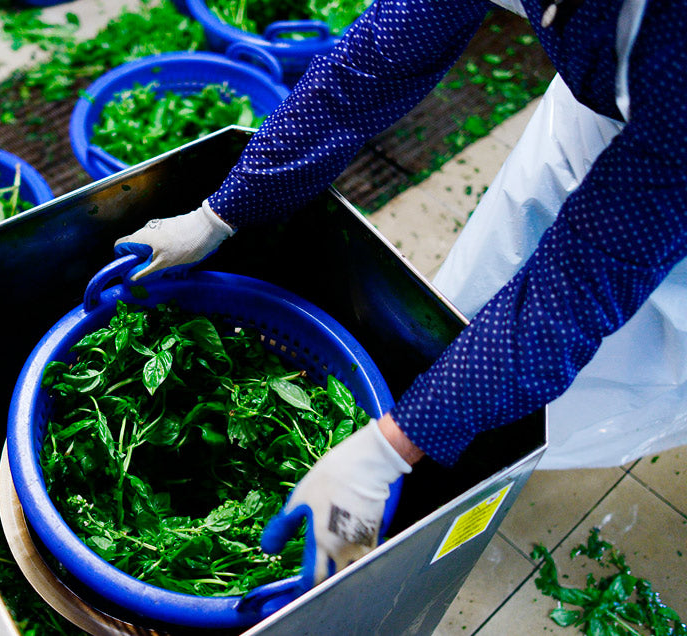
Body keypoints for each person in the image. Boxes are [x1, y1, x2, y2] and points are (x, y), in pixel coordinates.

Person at [115, 0, 687, 586]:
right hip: (605, 113)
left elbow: (572, 293)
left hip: (673, 151)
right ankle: (462, 447)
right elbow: (382, 54)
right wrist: (222, 212)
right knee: (468, 312)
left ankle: (504, 463)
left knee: (621, 373)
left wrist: (389, 450)